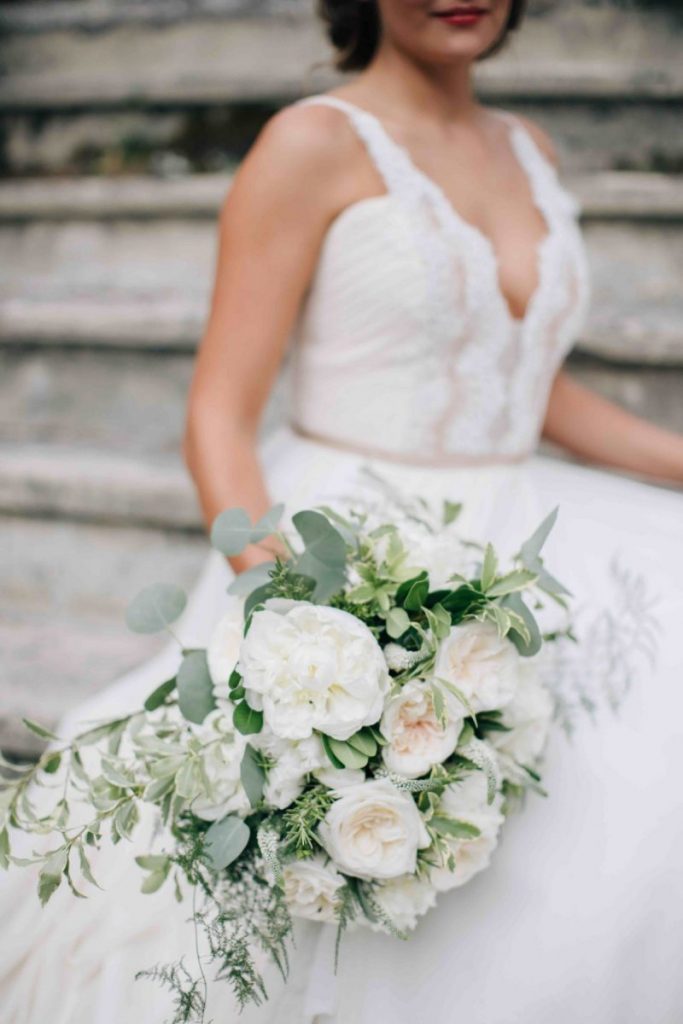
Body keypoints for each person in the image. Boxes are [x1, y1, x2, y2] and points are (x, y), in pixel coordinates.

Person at [1, 2, 682, 1022]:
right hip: (345, 541)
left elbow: (523, 381)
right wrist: (293, 604)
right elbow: (218, 415)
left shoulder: (528, 149)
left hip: (524, 521)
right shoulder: (310, 143)